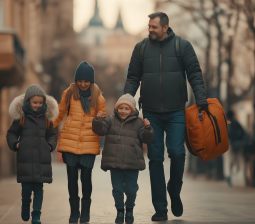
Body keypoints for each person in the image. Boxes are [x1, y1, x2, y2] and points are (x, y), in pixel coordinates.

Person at [123, 12, 208, 221]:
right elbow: (133, 77)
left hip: (177, 111)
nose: (150, 30)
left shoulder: (182, 46)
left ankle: (174, 190)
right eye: (149, 26)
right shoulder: (141, 48)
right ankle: (160, 208)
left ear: (165, 28)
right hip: (150, 113)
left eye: (154, 27)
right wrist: (125, 101)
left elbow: (195, 73)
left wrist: (201, 99)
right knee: (155, 159)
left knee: (178, 153)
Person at [53, 61, 106, 223]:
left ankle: (85, 212)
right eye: (80, 81)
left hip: (89, 143)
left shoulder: (99, 98)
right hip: (70, 141)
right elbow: (60, 114)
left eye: (86, 81)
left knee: (86, 178)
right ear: (76, 80)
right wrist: (45, 127)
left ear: (92, 81)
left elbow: (102, 125)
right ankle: (74, 212)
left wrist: (98, 120)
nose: (83, 84)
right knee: (71, 178)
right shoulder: (68, 94)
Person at [92, 94, 154, 224]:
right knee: (117, 189)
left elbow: (146, 139)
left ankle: (129, 209)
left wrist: (148, 129)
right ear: (117, 108)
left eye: (127, 108)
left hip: (132, 163)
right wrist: (97, 120)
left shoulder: (138, 123)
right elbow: (100, 130)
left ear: (132, 110)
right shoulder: (109, 120)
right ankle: (120, 211)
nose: (123, 111)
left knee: (131, 189)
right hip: (114, 163)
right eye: (121, 108)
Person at [6, 84, 59, 224]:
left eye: (40, 103)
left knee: (39, 189)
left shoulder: (47, 119)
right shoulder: (21, 118)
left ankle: (36, 215)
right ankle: (25, 205)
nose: (37, 105)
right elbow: (11, 133)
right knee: (26, 189)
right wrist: (15, 144)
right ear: (28, 101)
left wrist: (50, 145)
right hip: (25, 159)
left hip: (42, 160)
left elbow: (53, 136)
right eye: (35, 102)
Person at [225, 110, 247, 187]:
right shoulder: (236, 123)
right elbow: (244, 132)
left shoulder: (228, 123)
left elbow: (228, 134)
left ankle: (230, 177)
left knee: (231, 162)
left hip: (231, 145)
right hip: (238, 145)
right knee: (239, 162)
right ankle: (235, 177)